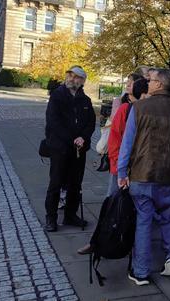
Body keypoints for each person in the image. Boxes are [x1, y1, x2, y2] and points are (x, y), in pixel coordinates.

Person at [117, 68, 170, 286]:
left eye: (151, 80)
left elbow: (127, 143)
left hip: (142, 174)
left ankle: (141, 271)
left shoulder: (138, 107)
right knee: (169, 217)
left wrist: (122, 172)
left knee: (144, 222)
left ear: (159, 85)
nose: (147, 82)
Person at [76, 78, 148, 256]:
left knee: (137, 209)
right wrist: (118, 169)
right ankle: (98, 242)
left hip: (142, 170)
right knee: (111, 205)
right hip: (123, 167)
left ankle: (132, 246)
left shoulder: (150, 111)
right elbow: (115, 141)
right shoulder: (126, 109)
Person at [43, 66, 96, 232]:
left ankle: (70, 215)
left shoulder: (85, 100)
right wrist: (72, 139)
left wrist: (84, 137)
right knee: (56, 183)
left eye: (77, 77)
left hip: (78, 150)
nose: (72, 79)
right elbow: (54, 122)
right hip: (60, 148)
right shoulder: (57, 96)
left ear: (82, 81)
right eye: (70, 75)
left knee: (75, 184)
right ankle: (51, 218)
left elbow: (90, 123)